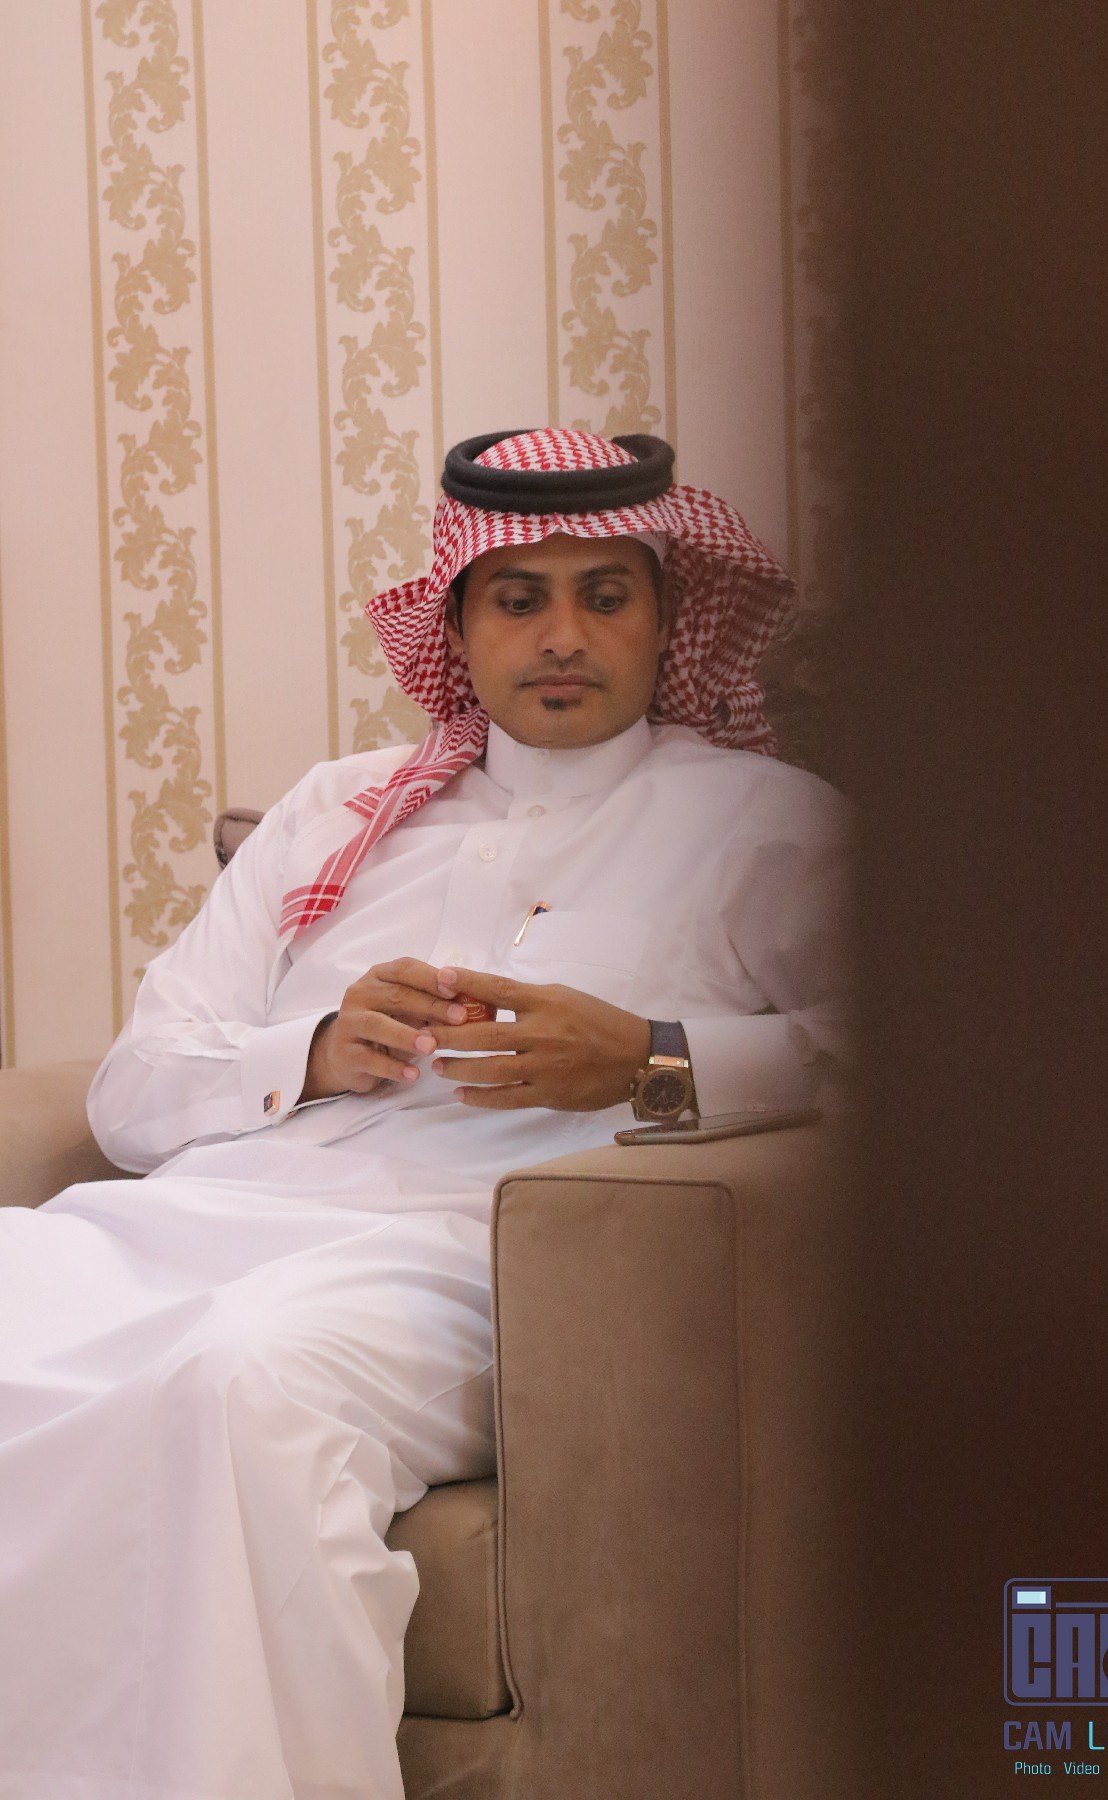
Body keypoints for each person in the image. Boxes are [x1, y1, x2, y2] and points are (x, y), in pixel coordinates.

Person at [0, 427, 848, 1800]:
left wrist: (648, 1059)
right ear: (456, 626)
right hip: (216, 1212)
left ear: (667, 617)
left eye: (605, 596)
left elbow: (895, 1062)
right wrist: (315, 1051)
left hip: (470, 1258)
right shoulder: (337, 811)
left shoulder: (763, 822)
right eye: (518, 599)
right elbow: (137, 1089)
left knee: (244, 1382)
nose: (562, 636)